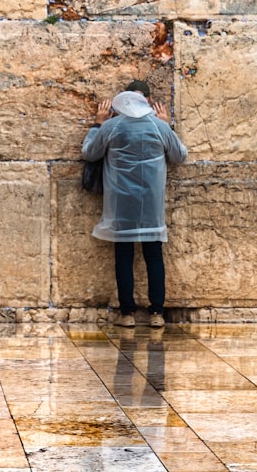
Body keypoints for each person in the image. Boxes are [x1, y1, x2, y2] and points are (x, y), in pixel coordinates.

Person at [82, 80, 187, 329]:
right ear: (149, 102)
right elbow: (180, 156)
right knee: (154, 256)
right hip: (151, 204)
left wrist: (98, 124)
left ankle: (127, 314)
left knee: (124, 256)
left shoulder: (111, 127)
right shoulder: (158, 126)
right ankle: (157, 313)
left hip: (120, 203)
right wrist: (167, 126)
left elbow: (89, 153)